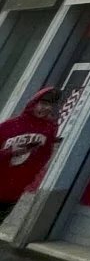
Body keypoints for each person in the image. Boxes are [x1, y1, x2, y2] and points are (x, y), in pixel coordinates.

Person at [0, 87, 61, 224]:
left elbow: (44, 156)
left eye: (50, 105)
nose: (46, 108)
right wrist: (10, 152)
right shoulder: (8, 126)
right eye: (43, 104)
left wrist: (29, 178)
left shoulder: (48, 129)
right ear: (34, 103)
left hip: (13, 192)